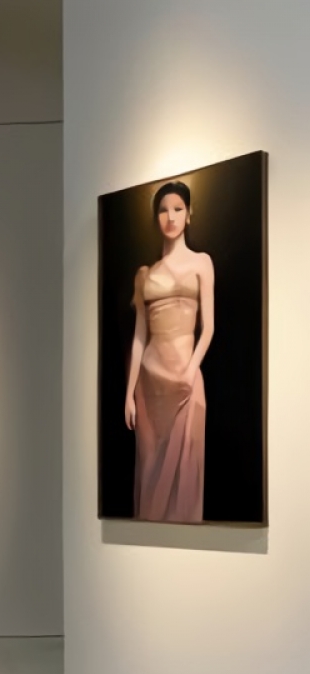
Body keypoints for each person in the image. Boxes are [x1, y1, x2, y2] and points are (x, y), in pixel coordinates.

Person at [125, 181, 214, 524]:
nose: (171, 217)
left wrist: (191, 369)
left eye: (177, 209)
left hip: (186, 381)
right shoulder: (145, 275)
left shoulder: (202, 263)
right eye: (163, 210)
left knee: (187, 479)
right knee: (151, 478)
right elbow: (139, 337)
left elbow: (209, 327)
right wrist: (129, 393)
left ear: (189, 214)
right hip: (150, 386)